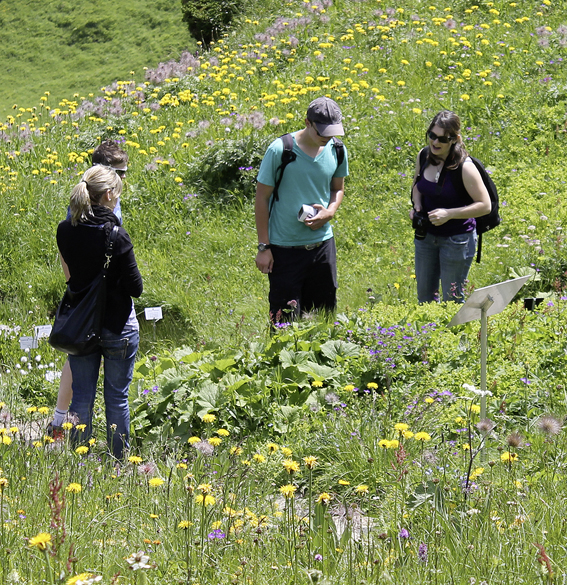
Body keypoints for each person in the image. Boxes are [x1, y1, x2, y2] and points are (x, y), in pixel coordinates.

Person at [56, 165, 143, 459]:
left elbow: (71, 276)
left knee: (81, 396)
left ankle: (79, 459)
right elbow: (136, 288)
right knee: (117, 398)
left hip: (82, 326)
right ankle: (118, 463)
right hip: (118, 326)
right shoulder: (117, 235)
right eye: (117, 194)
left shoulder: (65, 231)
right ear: (108, 195)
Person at [48, 141, 129, 438]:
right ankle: (60, 420)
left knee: (81, 367)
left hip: (95, 291)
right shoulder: (91, 201)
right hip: (94, 296)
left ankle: (67, 431)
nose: (124, 179)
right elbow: (69, 247)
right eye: (120, 172)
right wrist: (74, 285)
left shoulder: (96, 196)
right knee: (87, 368)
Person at [255, 96, 348, 323]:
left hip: (322, 247)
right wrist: (263, 246)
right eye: (322, 133)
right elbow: (261, 198)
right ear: (307, 123)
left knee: (322, 319)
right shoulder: (281, 150)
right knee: (284, 323)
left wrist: (331, 211)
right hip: (285, 250)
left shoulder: (337, 149)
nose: (327, 138)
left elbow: (338, 189)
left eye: (332, 133)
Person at [410, 110, 491, 303]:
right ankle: (428, 332)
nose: (436, 143)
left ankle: (454, 332)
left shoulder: (465, 167)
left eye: (443, 139)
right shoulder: (423, 156)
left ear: (455, 139)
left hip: (457, 240)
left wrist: (449, 214)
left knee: (452, 299)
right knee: (425, 298)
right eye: (432, 136)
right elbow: (417, 184)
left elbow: (485, 205)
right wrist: (417, 206)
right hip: (426, 237)